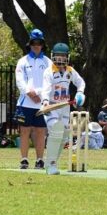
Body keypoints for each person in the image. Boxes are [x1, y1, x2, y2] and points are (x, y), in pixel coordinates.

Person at [40, 42, 86, 175]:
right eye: (57, 56)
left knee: (65, 136)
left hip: (65, 107)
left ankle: (51, 162)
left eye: (63, 56)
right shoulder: (48, 71)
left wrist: (80, 93)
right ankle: (51, 165)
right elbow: (46, 88)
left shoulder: (70, 71)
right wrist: (45, 102)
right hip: (51, 106)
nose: (60, 59)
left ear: (67, 57)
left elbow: (80, 82)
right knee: (56, 130)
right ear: (53, 56)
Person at [14, 28, 53, 170]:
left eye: (39, 43)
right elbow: (19, 80)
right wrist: (29, 93)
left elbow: (50, 82)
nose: (36, 45)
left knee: (41, 132)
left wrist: (40, 95)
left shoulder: (48, 62)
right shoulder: (22, 61)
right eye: (34, 42)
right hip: (25, 102)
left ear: (42, 44)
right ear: (29, 44)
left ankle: (40, 160)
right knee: (24, 131)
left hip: (42, 103)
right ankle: (24, 160)